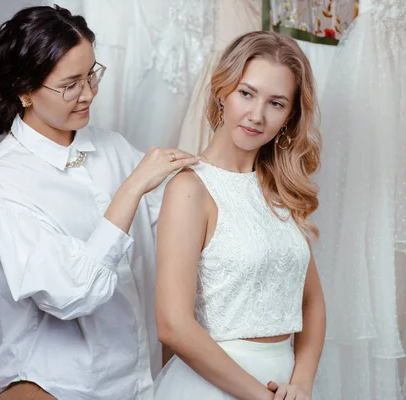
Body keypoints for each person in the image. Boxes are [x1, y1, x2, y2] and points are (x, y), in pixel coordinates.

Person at [0, 5, 198, 399]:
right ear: (25, 90)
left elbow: (177, 228)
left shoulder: (112, 146)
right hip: (55, 388)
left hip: (139, 382)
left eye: (92, 74)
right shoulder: (4, 179)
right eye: (71, 84)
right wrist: (130, 190)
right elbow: (70, 294)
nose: (89, 93)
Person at [154, 31, 326, 400]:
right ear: (223, 92)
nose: (256, 115)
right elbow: (172, 325)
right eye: (246, 93)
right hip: (211, 387)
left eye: (276, 103)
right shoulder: (189, 189)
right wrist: (261, 397)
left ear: (289, 117)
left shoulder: (281, 188)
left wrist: (302, 384)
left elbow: (311, 301)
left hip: (284, 385)